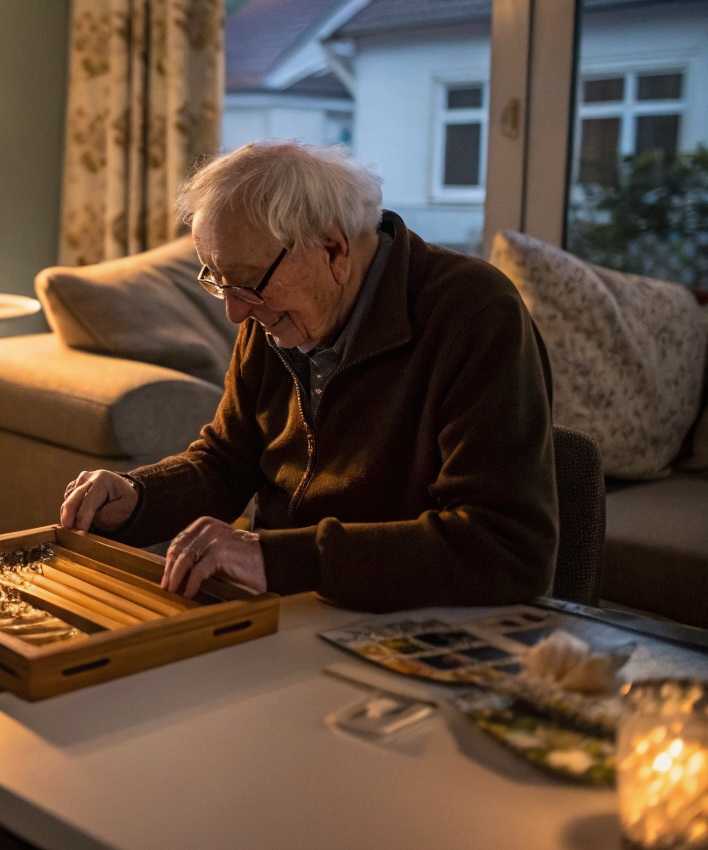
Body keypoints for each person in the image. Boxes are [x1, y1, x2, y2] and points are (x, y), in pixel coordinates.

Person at [61, 140, 558, 612]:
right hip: (293, 607)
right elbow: (228, 462)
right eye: (218, 280)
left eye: (248, 283)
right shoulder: (276, 314)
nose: (234, 312)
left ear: (334, 250)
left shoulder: (475, 313)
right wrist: (136, 497)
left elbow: (505, 546)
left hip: (409, 622)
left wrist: (278, 559)